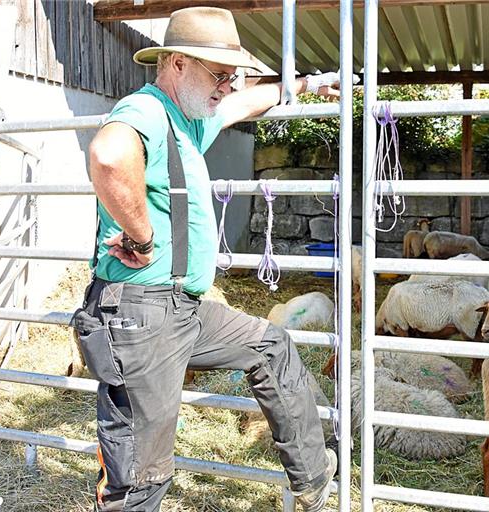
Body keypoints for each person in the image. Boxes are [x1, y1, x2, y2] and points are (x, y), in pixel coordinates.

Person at [74, 7, 340, 512]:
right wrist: (142, 236)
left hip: (184, 310)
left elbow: (239, 106)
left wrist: (302, 86)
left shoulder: (186, 122)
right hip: (140, 315)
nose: (226, 85)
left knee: (271, 345)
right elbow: (108, 155)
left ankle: (311, 478)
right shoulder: (147, 110)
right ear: (177, 64)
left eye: (231, 75)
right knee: (142, 477)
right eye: (218, 74)